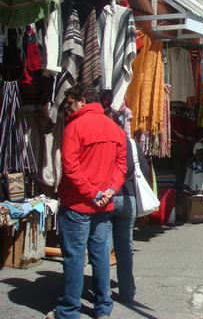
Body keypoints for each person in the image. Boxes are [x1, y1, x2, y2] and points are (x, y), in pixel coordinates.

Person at [48, 84, 127, 319]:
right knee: (101, 254)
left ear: (82, 101)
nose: (68, 107)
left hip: (78, 203)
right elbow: (121, 165)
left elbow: (70, 167)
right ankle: (103, 307)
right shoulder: (114, 128)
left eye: (70, 102)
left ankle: (69, 310)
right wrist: (110, 190)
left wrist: (92, 193)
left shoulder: (75, 126)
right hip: (103, 203)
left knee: (74, 256)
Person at [104, 108, 150, 304]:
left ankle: (103, 292)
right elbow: (144, 170)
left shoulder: (103, 142)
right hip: (129, 198)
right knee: (125, 247)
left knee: (104, 247)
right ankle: (127, 292)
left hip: (107, 198)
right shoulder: (130, 143)